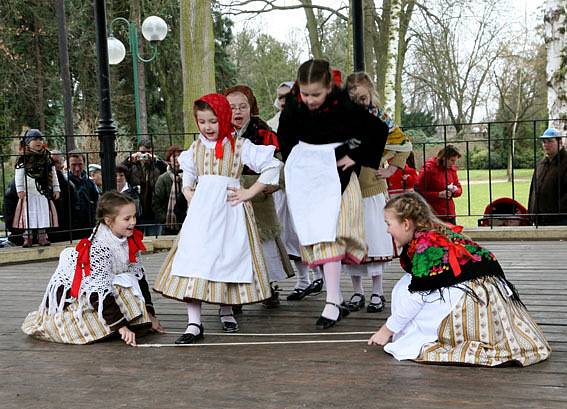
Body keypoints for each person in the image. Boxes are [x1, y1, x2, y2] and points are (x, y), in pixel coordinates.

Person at [153, 93, 282, 344]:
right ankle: (194, 322)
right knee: (195, 260)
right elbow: (188, 171)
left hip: (230, 211)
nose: (207, 127)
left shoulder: (241, 145)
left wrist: (248, 192)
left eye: (212, 121)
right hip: (202, 214)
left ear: (222, 118)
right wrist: (188, 190)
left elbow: (272, 166)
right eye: (202, 122)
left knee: (226, 258)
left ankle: (226, 309)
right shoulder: (196, 147)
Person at [368, 192, 551, 366]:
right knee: (406, 285)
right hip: (485, 289)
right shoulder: (429, 234)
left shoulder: (426, 245)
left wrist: (387, 330)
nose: (387, 230)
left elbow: (417, 297)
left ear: (406, 224)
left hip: (477, 297)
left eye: (389, 224)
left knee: (409, 292)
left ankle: (434, 333)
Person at [278, 59, 388, 329]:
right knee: (316, 234)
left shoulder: (345, 106)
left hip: (337, 177)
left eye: (316, 94)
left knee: (333, 234)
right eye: (305, 93)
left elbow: (377, 129)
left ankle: (332, 300)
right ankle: (334, 298)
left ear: (329, 87)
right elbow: (285, 135)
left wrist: (355, 156)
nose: (310, 99)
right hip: (308, 177)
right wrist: (298, 162)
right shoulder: (294, 105)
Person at [22, 191, 163, 346]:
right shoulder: (99, 247)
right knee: (122, 288)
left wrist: (150, 313)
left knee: (128, 287)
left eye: (134, 216)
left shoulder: (128, 240)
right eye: (127, 218)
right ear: (109, 221)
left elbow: (139, 279)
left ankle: (118, 324)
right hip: (80, 295)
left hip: (105, 289)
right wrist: (121, 328)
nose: (133, 222)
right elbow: (98, 293)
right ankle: (107, 325)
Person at [343, 71, 413, 314]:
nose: (359, 103)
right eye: (354, 100)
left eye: (363, 98)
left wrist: (393, 167)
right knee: (352, 239)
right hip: (346, 188)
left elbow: (403, 143)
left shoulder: (380, 118)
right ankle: (356, 291)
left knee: (374, 238)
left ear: (371, 94)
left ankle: (377, 291)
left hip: (371, 186)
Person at [225, 85, 294, 308]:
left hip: (258, 193)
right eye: (232, 107)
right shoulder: (219, 131)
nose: (237, 111)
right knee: (234, 243)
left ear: (251, 107)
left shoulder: (263, 130)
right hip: (230, 195)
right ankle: (234, 292)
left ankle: (268, 286)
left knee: (264, 241)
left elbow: (280, 160)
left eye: (242, 106)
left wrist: (271, 186)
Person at [13, 129, 60, 247]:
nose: (38, 141)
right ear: (28, 142)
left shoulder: (47, 158)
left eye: (40, 139)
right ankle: (28, 237)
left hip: (43, 192)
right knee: (29, 215)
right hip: (29, 194)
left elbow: (53, 174)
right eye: (35, 139)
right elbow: (19, 174)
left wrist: (56, 188)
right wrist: (20, 189)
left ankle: (42, 237)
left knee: (43, 215)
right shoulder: (23, 158)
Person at [121, 140, 167, 236]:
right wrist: (129, 160)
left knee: (155, 237)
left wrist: (156, 160)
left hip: (153, 207)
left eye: (149, 152)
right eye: (142, 152)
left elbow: (166, 169)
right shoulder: (132, 165)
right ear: (137, 152)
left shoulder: (157, 164)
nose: (145, 155)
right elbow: (120, 170)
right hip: (136, 207)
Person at [528, 127, 567, 226]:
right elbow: (533, 189)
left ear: (560, 142)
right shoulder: (541, 164)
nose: (546, 145)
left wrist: (557, 213)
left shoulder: (565, 163)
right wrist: (530, 214)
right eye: (544, 141)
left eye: (550, 141)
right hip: (538, 221)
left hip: (558, 222)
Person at [416, 145, 462, 224]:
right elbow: (418, 192)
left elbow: (459, 188)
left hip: (449, 213)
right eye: (452, 160)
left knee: (451, 236)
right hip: (433, 214)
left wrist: (454, 190)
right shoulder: (429, 169)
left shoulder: (452, 169)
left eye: (455, 160)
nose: (454, 163)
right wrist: (438, 194)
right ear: (444, 158)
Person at [49, 149, 80, 242]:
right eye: (51, 162)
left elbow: (75, 210)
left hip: (64, 232)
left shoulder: (68, 186)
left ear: (62, 165)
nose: (53, 166)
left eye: (57, 162)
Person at [153, 145, 184, 235]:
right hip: (168, 225)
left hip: (188, 222)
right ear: (169, 160)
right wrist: (164, 220)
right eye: (174, 156)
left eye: (180, 156)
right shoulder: (163, 179)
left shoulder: (191, 177)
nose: (177, 159)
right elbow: (156, 203)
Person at [67, 151, 99, 237]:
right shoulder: (64, 182)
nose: (77, 168)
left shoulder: (90, 182)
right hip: (71, 227)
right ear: (68, 165)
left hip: (88, 226)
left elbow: (96, 202)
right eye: (73, 165)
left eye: (80, 164)